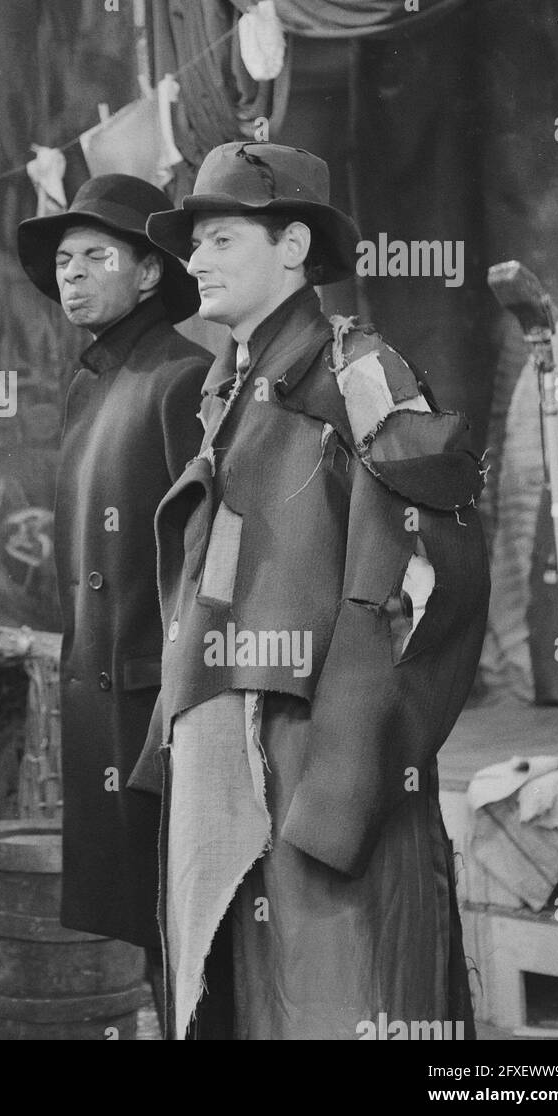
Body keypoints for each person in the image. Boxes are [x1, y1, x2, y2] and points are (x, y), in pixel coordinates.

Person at [131, 142, 488, 1039]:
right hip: (229, 764)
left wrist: (343, 780)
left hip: (322, 771)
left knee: (340, 1000)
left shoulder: (362, 372)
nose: (196, 262)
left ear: (293, 245)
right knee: (246, 1004)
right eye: (193, 245)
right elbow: (208, 582)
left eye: (219, 239)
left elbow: (419, 589)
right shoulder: (228, 390)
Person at [17, 174, 208, 998]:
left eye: (98, 254)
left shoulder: (183, 377)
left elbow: (200, 562)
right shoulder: (90, 382)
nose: (74, 272)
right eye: (65, 259)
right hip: (103, 703)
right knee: (147, 931)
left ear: (150, 272)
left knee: (188, 922)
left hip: (158, 710)